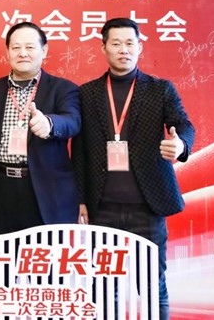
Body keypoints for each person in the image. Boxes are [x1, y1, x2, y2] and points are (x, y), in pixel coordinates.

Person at [73, 17, 195, 320]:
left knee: (152, 286)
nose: (123, 49)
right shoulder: (86, 93)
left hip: (147, 207)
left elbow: (183, 124)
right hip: (102, 208)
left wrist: (180, 146)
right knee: (104, 288)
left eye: (130, 43)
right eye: (116, 43)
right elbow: (80, 151)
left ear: (140, 47)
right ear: (103, 48)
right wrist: (81, 199)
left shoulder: (160, 89)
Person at [0, 21, 83, 235]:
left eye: (30, 47)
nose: (23, 53)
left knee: (43, 255)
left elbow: (72, 121)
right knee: (0, 255)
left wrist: (50, 124)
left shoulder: (63, 89)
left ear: (44, 51)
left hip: (45, 192)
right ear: (8, 51)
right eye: (16, 47)